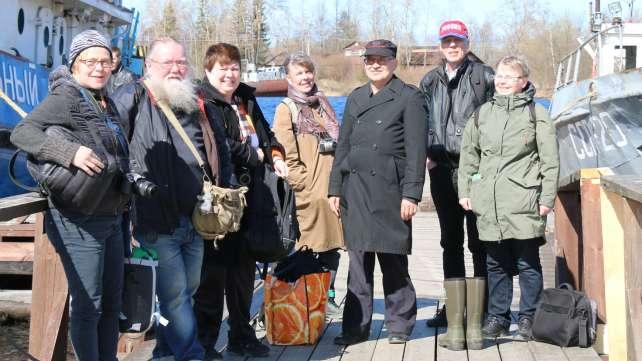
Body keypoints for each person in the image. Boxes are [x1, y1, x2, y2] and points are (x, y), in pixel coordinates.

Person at [11, 30, 130, 361]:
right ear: (75, 64)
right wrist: (69, 152)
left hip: (112, 215)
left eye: (105, 61)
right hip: (80, 219)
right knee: (89, 305)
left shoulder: (106, 101)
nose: (98, 67)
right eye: (90, 61)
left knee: (111, 303)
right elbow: (23, 132)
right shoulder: (66, 96)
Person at [112, 37, 230, 361]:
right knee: (176, 294)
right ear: (150, 66)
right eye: (168, 63)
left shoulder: (195, 99)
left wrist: (226, 185)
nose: (177, 69)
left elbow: (218, 147)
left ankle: (165, 351)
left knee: (185, 290)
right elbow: (108, 139)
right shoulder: (132, 96)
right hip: (156, 216)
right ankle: (191, 355)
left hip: (197, 216)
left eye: (181, 62)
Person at [328, 39, 427, 345]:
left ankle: (399, 325)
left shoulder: (410, 98)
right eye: (369, 59)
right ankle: (355, 328)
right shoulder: (356, 97)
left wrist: (411, 194)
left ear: (394, 63)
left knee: (393, 259)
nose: (374, 63)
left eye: (381, 59)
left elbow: (416, 151)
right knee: (357, 264)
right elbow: (342, 146)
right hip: (354, 190)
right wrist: (335, 188)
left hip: (390, 191)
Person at [193, 42, 288, 359]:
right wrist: (254, 154)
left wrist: (275, 154)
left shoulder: (245, 98)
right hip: (221, 195)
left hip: (253, 196)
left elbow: (267, 135)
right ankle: (205, 342)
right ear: (209, 71)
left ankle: (241, 335)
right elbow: (218, 144)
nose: (230, 74)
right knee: (214, 272)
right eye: (223, 69)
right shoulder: (202, 102)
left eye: (234, 68)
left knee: (244, 270)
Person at [458, 55, 559, 341]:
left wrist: (547, 198)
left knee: (528, 264)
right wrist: (465, 191)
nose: (501, 81)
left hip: (524, 200)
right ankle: (498, 318)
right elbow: (469, 157)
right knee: (495, 264)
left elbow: (550, 161)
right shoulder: (482, 114)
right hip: (489, 203)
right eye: (499, 76)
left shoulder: (537, 114)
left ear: (523, 81)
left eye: (509, 77)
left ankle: (529, 317)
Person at [419, 19, 495, 329]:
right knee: (450, 241)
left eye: (458, 41)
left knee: (479, 241)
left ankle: (482, 309)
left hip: (474, 171)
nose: (453, 46)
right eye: (448, 41)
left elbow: (503, 110)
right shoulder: (430, 80)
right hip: (441, 170)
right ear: (440, 45)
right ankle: (454, 307)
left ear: (467, 43)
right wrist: (427, 153)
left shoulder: (484, 75)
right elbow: (419, 121)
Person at [272, 52, 345, 318]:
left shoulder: (321, 103)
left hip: (332, 189)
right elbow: (286, 154)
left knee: (332, 247)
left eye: (308, 72)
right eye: (299, 73)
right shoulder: (286, 109)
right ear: (289, 78)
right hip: (310, 193)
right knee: (310, 248)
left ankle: (329, 296)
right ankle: (302, 297)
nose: (305, 78)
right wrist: (305, 187)